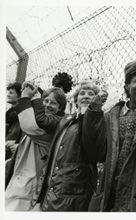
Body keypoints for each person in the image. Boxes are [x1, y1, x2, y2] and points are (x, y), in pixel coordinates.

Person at [84, 61, 136, 212]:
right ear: (127, 85)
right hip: (111, 194)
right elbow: (97, 152)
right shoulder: (111, 117)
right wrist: (94, 113)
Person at [35, 80, 105, 211]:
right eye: (82, 93)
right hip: (50, 188)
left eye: (91, 94)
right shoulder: (66, 120)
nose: (86, 96)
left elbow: (96, 151)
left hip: (72, 193)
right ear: (76, 100)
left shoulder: (99, 120)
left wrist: (93, 111)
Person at [5, 83, 66, 211]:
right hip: (22, 178)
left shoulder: (56, 124)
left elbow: (29, 126)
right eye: (45, 100)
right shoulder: (39, 119)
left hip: (32, 182)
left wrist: (26, 97)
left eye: (53, 103)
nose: (48, 105)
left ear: (60, 108)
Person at [6, 82, 22, 160]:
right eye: (8, 92)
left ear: (19, 96)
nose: (8, 95)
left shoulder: (21, 114)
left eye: (11, 93)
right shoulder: (10, 113)